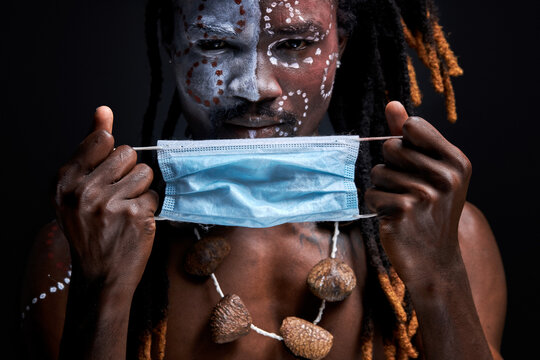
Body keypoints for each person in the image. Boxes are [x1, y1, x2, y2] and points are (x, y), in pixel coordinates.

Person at [20, 0, 507, 359]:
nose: (255, 87)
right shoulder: (77, 250)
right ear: (172, 44)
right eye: (213, 43)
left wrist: (440, 277)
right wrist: (103, 290)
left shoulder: (453, 237)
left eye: (295, 43)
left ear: (342, 44)